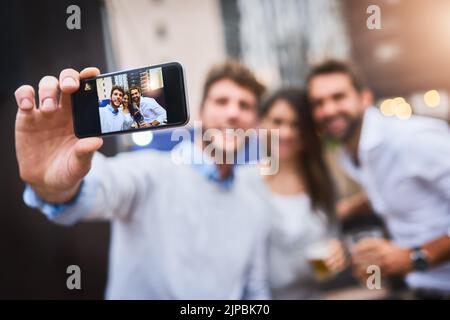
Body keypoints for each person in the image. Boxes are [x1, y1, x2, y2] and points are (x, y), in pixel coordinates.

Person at [14, 61, 270, 299]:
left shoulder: (254, 204)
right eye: (222, 101)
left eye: (245, 105)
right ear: (202, 111)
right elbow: (102, 185)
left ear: (255, 123)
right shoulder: (149, 172)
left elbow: (255, 290)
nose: (233, 113)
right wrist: (54, 186)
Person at [306, 59, 450, 299]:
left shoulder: (411, 139)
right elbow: (396, 187)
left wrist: (414, 257)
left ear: (364, 98)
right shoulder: (349, 152)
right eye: (318, 103)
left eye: (338, 97)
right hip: (419, 288)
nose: (328, 110)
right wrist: (349, 208)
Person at [258, 88, 346, 299]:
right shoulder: (248, 182)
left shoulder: (325, 183)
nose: (286, 133)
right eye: (277, 122)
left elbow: (333, 238)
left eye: (296, 125)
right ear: (262, 123)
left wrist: (339, 252)